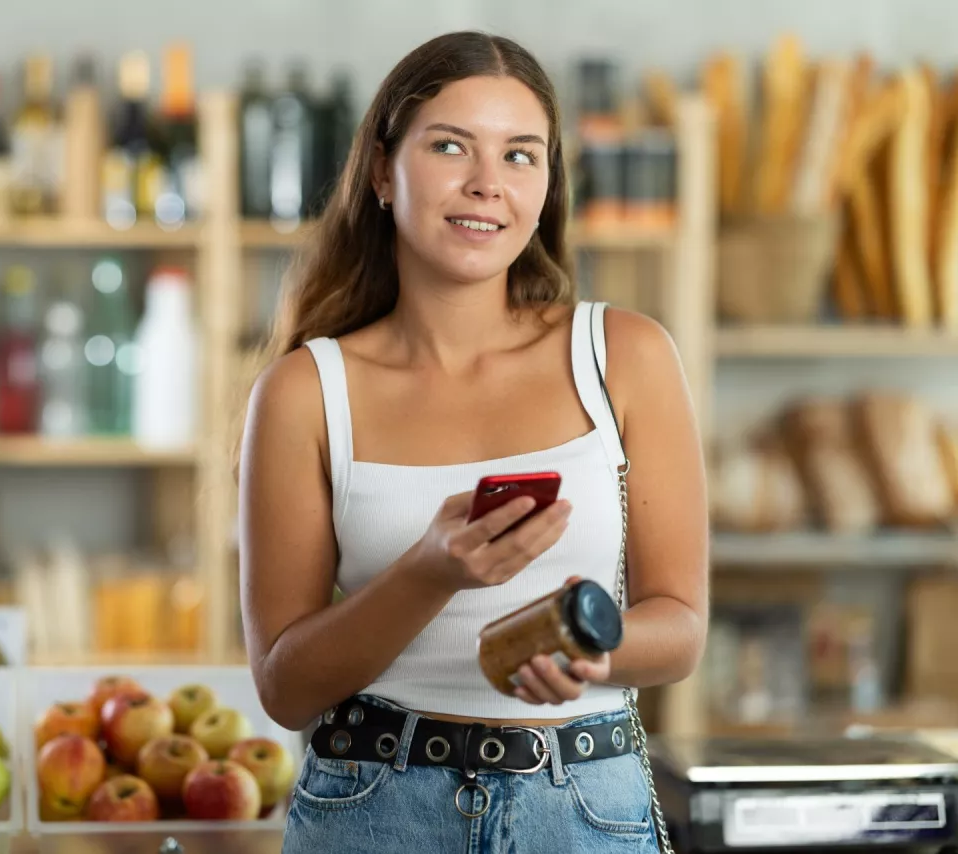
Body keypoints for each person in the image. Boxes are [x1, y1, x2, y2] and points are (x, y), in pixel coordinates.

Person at [236, 30, 709, 853]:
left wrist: (592, 651)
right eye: (451, 146)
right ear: (384, 171)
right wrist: (430, 572)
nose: (488, 184)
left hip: (585, 809)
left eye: (521, 156)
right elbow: (286, 688)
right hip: (372, 810)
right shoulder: (307, 392)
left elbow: (682, 627)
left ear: (548, 183)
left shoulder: (624, 356)